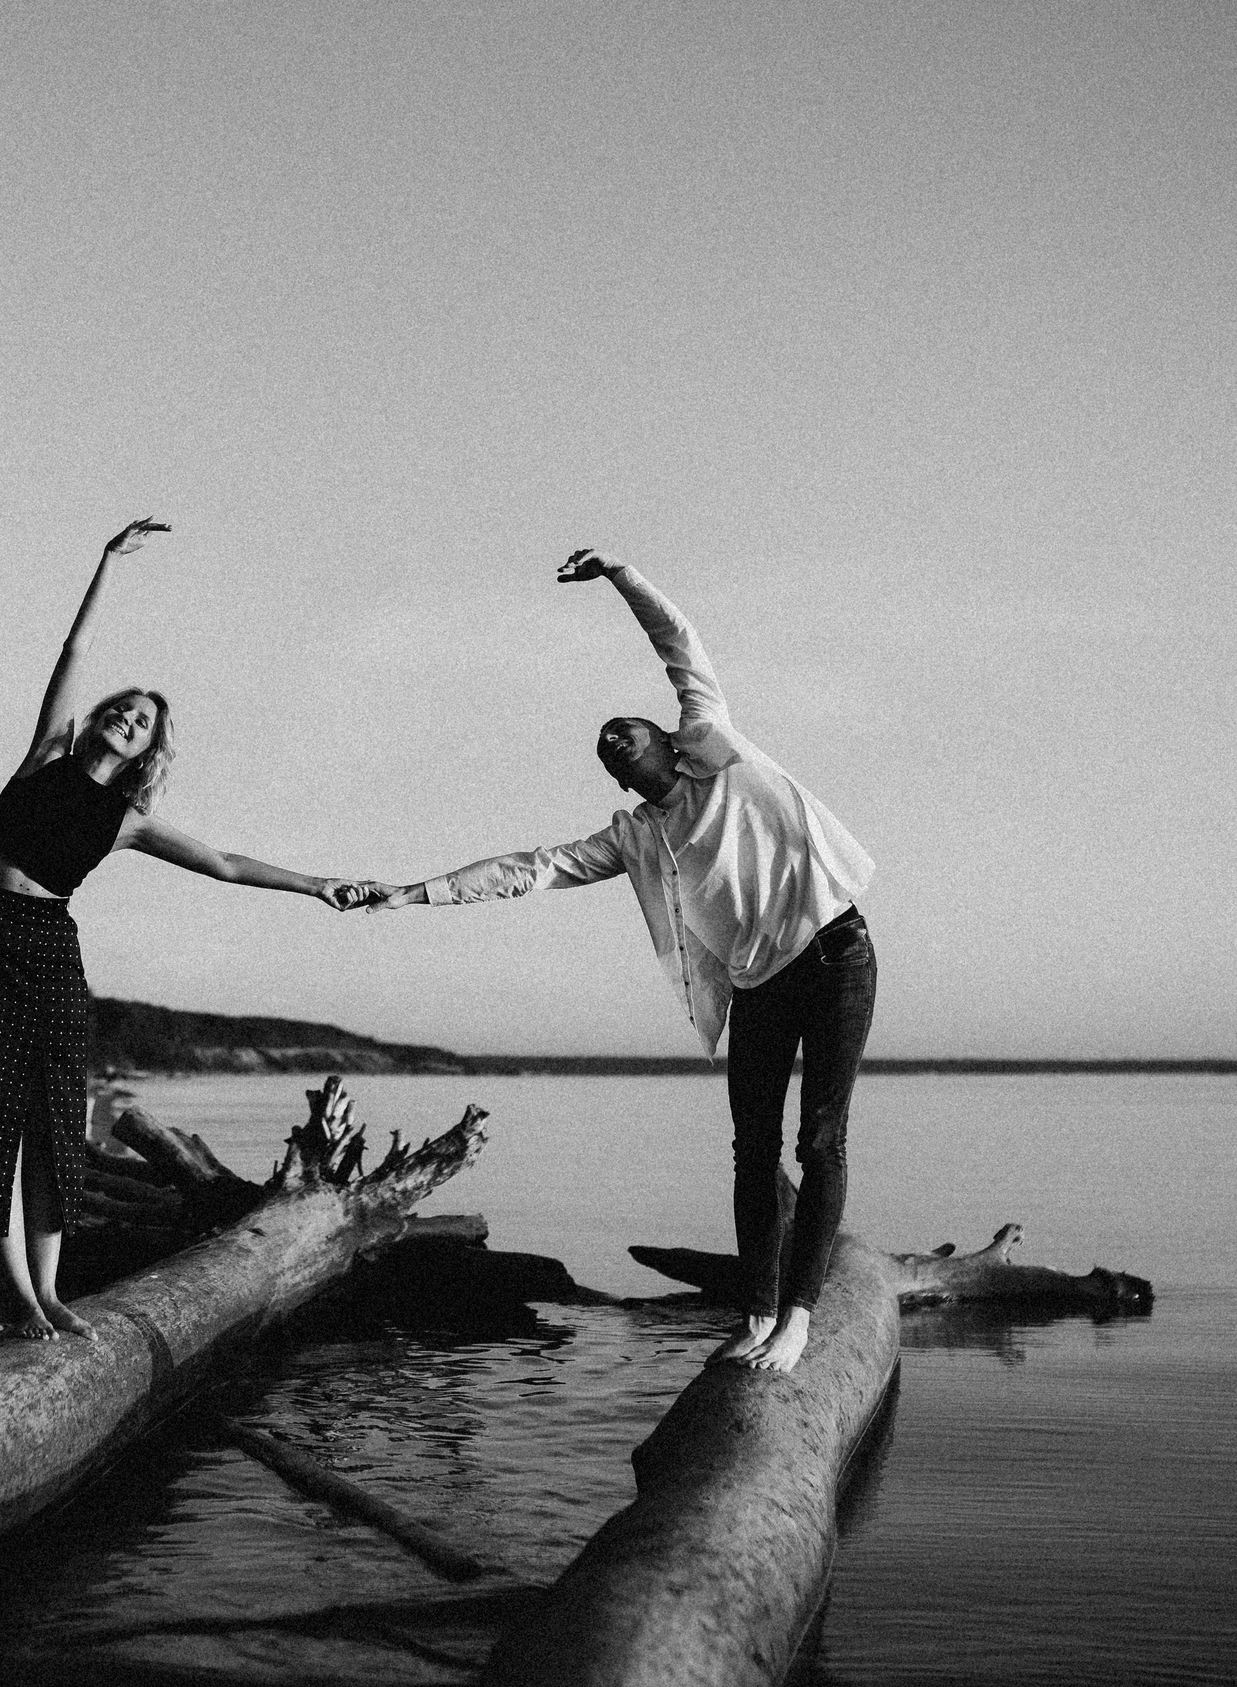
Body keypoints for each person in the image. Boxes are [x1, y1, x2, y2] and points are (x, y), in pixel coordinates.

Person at [367, 548, 877, 1373]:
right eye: (606, 745)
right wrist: (412, 892)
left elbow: (679, 642)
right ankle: (755, 1311)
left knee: (820, 1140)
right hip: (760, 984)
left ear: (667, 740)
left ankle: (800, 1318)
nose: (614, 739)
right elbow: (527, 869)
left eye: (626, 729)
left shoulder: (718, 748)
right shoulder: (636, 837)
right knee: (753, 1148)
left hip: (835, 955)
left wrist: (620, 575)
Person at [0, 517, 365, 1340]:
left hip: (50, 951)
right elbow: (73, 652)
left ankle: (52, 1293)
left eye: (143, 722)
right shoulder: (45, 758)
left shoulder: (125, 818)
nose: (130, 720)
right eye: (124, 710)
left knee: (57, 1117)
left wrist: (317, 885)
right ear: (99, 719)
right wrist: (104, 563)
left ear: (146, 749)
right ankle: (20, 1301)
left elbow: (226, 864)